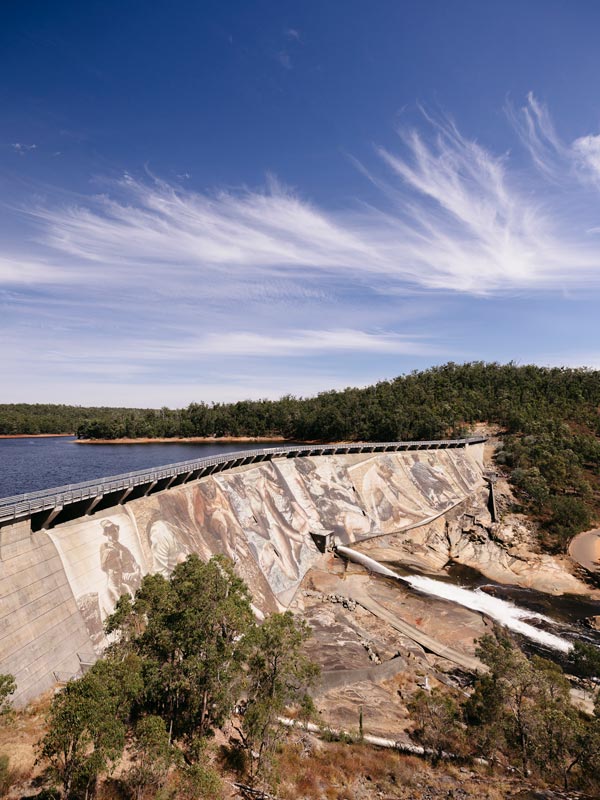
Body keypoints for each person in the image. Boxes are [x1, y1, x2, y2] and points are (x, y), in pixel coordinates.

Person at [99, 519, 142, 606]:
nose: (114, 533)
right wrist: (123, 575)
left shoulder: (124, 548)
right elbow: (104, 567)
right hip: (120, 584)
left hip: (134, 581)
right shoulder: (105, 547)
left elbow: (135, 563)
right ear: (107, 534)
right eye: (111, 531)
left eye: (115, 531)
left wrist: (135, 573)